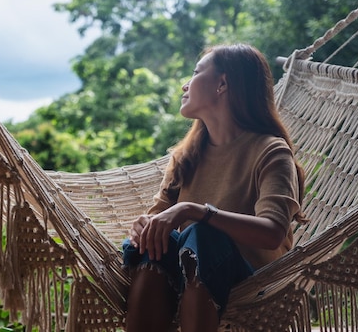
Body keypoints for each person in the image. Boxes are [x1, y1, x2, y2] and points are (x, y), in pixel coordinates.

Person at [122, 43, 306, 332]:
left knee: (202, 234)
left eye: (195, 73)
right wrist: (144, 227)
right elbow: (159, 221)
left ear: (222, 83)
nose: (185, 84)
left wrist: (194, 211)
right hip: (189, 274)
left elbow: (272, 233)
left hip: (255, 285)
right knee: (153, 245)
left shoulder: (270, 151)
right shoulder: (187, 156)